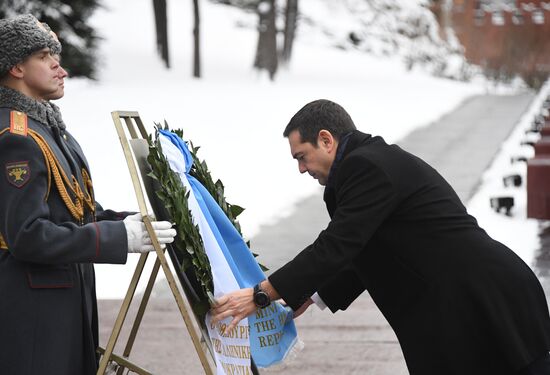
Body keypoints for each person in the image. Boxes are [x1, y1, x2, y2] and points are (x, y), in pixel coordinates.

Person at [212, 99, 550, 375]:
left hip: (485, 301)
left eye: (302, 156)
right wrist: (311, 295)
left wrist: (263, 294)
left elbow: (337, 245)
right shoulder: (368, 162)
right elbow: (364, 249)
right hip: (469, 304)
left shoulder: (366, 167)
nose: (301, 168)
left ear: (327, 140)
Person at [0, 14, 177, 375]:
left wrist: (129, 223)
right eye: (45, 57)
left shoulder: (50, 130)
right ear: (16, 66)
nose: (59, 67)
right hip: (34, 314)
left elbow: (77, 212)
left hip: (62, 304)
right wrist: (117, 238)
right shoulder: (16, 137)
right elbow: (28, 236)